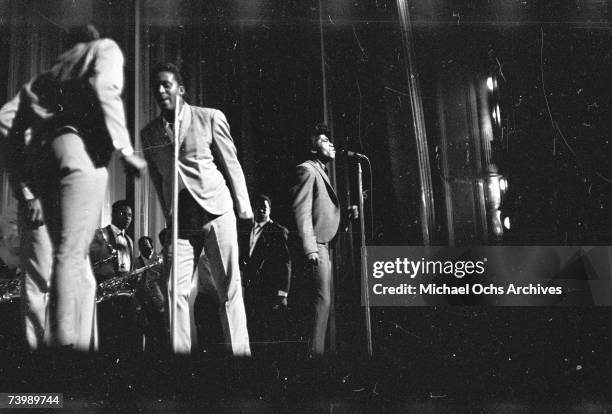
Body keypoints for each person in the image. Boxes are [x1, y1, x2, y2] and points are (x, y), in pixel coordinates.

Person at [0, 24, 146, 351]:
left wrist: (26, 191)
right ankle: (71, 359)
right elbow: (107, 92)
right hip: (69, 162)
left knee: (43, 281)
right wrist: (125, 150)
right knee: (73, 265)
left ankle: (47, 363)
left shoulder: (44, 81)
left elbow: (3, 119)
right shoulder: (98, 55)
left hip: (37, 181)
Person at [140, 63, 252, 356]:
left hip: (217, 211)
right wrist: (168, 214)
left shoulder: (210, 118)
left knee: (229, 290)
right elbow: (158, 178)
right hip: (182, 222)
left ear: (181, 89)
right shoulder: (149, 133)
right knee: (173, 291)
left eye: (166, 84)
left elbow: (231, 163)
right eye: (157, 87)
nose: (161, 90)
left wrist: (243, 204)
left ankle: (241, 360)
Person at [291, 123, 340, 356]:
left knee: (324, 304)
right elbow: (301, 211)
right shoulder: (307, 170)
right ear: (312, 148)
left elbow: (322, 216)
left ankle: (316, 355)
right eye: (323, 140)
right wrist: (310, 248)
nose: (331, 144)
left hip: (324, 246)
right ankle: (314, 359)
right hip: (316, 248)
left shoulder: (320, 171)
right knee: (322, 303)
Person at [240, 194, 291, 345]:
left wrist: (282, 294)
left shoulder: (278, 231)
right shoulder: (247, 231)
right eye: (257, 207)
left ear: (270, 210)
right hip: (252, 293)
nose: (261, 210)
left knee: (274, 335)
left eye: (264, 207)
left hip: (271, 293)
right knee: (255, 333)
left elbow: (285, 264)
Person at [134, 236, 167, 353]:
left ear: (152, 247)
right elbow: (135, 285)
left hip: (159, 303)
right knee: (148, 334)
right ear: (140, 249)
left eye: (148, 247)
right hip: (144, 304)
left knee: (161, 333)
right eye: (143, 247)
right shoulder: (136, 263)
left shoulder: (158, 260)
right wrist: (137, 305)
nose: (146, 249)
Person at [90, 200, 134, 281]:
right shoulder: (99, 235)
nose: (127, 218)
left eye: (130, 215)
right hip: (104, 286)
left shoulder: (129, 241)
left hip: (124, 288)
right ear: (113, 215)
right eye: (122, 214)